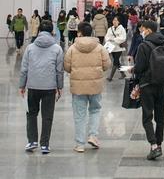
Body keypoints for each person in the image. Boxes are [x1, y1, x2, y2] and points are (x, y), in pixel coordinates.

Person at [63, 22, 111, 153]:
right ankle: (93, 136)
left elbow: (66, 67)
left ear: (79, 33)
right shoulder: (100, 48)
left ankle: (79, 144)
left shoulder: (72, 48)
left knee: (79, 115)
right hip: (95, 85)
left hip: (78, 87)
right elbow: (107, 65)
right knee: (95, 110)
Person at [20, 20, 63, 154]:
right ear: (51, 32)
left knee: (31, 114)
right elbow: (59, 70)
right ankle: (45, 144)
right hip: (50, 87)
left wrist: (22, 85)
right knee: (47, 116)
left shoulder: (30, 47)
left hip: (32, 86)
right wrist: (59, 86)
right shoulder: (57, 48)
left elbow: (24, 69)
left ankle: (32, 141)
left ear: (39, 31)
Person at [133, 20, 164, 161]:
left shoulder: (144, 46)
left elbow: (139, 68)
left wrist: (132, 69)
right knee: (160, 116)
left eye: (142, 28)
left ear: (148, 30)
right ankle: (159, 144)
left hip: (147, 85)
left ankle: (153, 145)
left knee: (147, 117)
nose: (141, 31)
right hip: (161, 84)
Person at [106, 17, 128, 82]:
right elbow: (107, 36)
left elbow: (123, 38)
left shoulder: (122, 29)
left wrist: (113, 39)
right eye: (114, 20)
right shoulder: (110, 29)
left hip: (119, 48)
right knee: (117, 62)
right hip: (112, 47)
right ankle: (123, 74)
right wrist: (109, 39)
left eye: (116, 20)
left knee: (115, 62)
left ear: (119, 21)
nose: (114, 21)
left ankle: (110, 77)